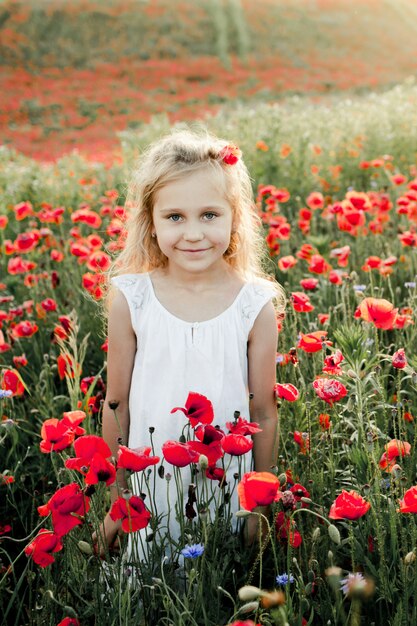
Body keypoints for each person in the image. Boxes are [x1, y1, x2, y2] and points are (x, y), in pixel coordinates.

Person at [95, 128, 285, 561]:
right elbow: (117, 406)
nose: (194, 233)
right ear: (152, 221)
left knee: (217, 586)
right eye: (175, 217)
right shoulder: (132, 298)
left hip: (226, 487)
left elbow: (263, 411)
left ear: (235, 217)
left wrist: (257, 505)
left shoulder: (253, 303)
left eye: (210, 215)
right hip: (150, 491)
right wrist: (117, 501)